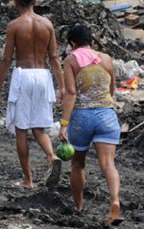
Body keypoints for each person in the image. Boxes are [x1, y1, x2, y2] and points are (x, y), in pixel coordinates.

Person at [0, 0, 65, 190]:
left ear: (16, 2)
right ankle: (51, 156)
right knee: (39, 127)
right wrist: (61, 87)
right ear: (34, 0)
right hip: (43, 76)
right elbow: (54, 58)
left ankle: (28, 180)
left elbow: (7, 59)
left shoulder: (14, 26)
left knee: (21, 129)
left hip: (23, 76)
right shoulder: (47, 24)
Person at [57, 24, 123, 226]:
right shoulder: (107, 59)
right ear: (91, 41)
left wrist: (64, 123)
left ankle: (79, 207)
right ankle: (115, 201)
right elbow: (111, 90)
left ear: (72, 43)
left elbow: (71, 93)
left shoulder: (71, 59)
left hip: (82, 117)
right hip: (107, 115)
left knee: (77, 164)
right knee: (108, 164)